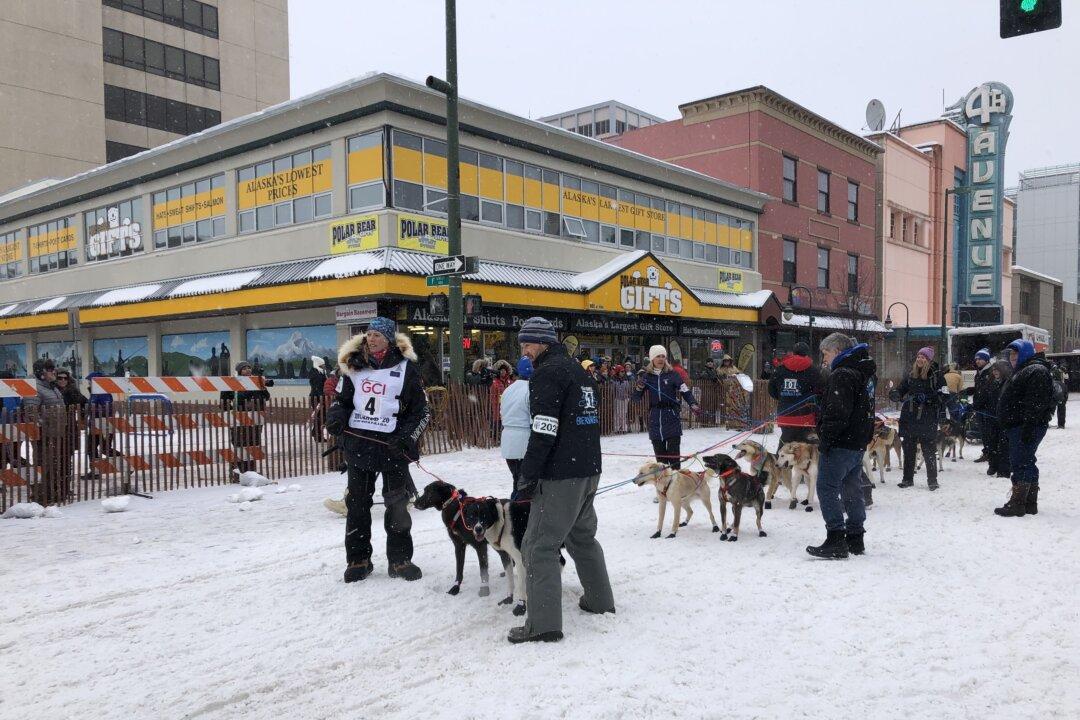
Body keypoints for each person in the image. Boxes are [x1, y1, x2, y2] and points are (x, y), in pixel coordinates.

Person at [508, 316, 614, 644]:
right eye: (522, 342)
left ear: (544, 342)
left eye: (529, 343)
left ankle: (543, 625)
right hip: (588, 467)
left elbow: (543, 429)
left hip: (561, 473)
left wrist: (528, 474)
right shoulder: (578, 370)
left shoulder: (547, 373)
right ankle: (599, 600)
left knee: (539, 544)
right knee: (582, 537)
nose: (524, 349)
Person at [326, 317, 430, 582]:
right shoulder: (353, 366)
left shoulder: (406, 369)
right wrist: (336, 416)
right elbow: (342, 400)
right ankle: (358, 560)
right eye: (369, 334)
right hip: (359, 446)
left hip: (392, 449)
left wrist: (406, 438)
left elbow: (421, 411)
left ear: (389, 340)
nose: (371, 339)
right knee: (357, 505)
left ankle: (400, 560)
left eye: (377, 335)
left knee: (397, 505)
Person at [806, 334, 876, 559]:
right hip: (856, 443)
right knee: (851, 488)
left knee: (826, 487)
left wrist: (825, 437)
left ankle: (836, 537)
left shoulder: (842, 375)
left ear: (836, 350)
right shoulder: (857, 372)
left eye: (825, 353)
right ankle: (855, 538)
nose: (823, 359)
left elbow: (838, 414)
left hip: (841, 443)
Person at [994, 339, 1054, 517]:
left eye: (1016, 354)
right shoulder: (1025, 370)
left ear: (1025, 353)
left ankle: (1018, 503)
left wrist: (1028, 426)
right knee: (1027, 461)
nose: (1012, 358)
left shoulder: (1035, 370)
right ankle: (1029, 503)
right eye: (1011, 354)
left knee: (1020, 462)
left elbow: (1035, 403)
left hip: (1025, 426)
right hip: (1020, 425)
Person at [889, 347, 948, 491]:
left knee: (928, 450)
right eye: (918, 357)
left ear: (929, 360)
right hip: (909, 417)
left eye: (923, 357)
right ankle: (907, 479)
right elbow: (902, 389)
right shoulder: (911, 374)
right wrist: (895, 393)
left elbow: (945, 395)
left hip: (927, 417)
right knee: (909, 450)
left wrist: (929, 398)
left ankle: (932, 480)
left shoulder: (937, 375)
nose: (920, 359)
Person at [634, 345, 700, 469]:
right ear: (652, 358)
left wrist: (693, 403)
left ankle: (677, 482)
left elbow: (685, 391)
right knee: (661, 461)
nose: (661, 359)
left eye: (663, 356)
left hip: (671, 416)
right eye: (658, 356)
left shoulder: (673, 374)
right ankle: (664, 485)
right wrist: (639, 387)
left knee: (674, 456)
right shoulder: (647, 376)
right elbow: (636, 398)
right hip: (655, 418)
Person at [23, 359, 68, 505]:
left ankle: (50, 493)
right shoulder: (34, 389)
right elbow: (31, 413)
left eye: (52, 368)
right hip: (44, 436)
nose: (53, 371)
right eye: (49, 369)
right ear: (41, 372)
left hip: (56, 435)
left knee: (53, 465)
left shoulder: (51, 387)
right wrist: (43, 427)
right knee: (44, 466)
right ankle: (41, 495)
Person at [220, 361, 272, 475]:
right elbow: (224, 401)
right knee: (239, 444)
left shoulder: (256, 381)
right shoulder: (232, 383)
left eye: (249, 367)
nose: (248, 370)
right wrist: (229, 413)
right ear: (239, 371)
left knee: (253, 443)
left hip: (255, 419)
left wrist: (261, 385)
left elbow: (266, 397)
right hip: (238, 419)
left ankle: (251, 472)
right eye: (244, 368)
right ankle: (237, 472)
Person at [767, 342, 822, 443]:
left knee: (786, 445)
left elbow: (771, 390)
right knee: (805, 448)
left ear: (793, 353)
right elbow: (819, 391)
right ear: (807, 354)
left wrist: (784, 398)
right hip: (806, 415)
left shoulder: (780, 369)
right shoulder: (814, 370)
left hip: (785, 414)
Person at [500, 356, 533, 490]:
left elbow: (502, 412)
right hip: (524, 440)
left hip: (508, 440)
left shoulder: (508, 390)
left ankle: (515, 504)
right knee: (525, 484)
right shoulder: (531, 390)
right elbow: (533, 417)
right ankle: (519, 506)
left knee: (517, 479)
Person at [983, 360, 1012, 478]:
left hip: (1004, 418)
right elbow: (986, 398)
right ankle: (993, 465)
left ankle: (1004, 469)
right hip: (991, 417)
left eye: (997, 370)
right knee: (992, 443)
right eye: (993, 370)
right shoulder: (991, 383)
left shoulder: (1008, 383)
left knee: (1004, 445)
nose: (995, 372)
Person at [969, 348, 994, 463]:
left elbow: (988, 391)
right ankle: (987, 452)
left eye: (980, 359)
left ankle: (992, 454)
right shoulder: (979, 373)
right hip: (980, 408)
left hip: (987, 408)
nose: (977, 361)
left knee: (989, 433)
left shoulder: (990, 372)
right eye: (976, 359)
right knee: (984, 433)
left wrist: (980, 401)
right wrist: (969, 390)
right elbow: (978, 389)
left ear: (986, 360)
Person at [489, 359, 514, 425]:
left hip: (508, 410)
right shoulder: (494, 382)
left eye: (504, 370)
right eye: (501, 370)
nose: (503, 372)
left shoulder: (510, 382)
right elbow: (493, 397)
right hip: (497, 410)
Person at [610, 365, 632, 433]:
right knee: (617, 414)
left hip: (625, 399)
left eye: (623, 371)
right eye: (621, 371)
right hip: (617, 398)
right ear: (617, 372)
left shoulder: (625, 379)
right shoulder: (613, 380)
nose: (623, 373)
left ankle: (624, 428)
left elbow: (628, 389)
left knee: (623, 413)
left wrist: (627, 395)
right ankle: (617, 428)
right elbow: (612, 390)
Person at [1050, 362, 1068, 428]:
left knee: (1050, 407)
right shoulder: (1060, 372)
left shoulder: (1050, 372)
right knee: (1061, 408)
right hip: (1062, 390)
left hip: (1055, 390)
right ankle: (1061, 424)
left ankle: (1045, 422)